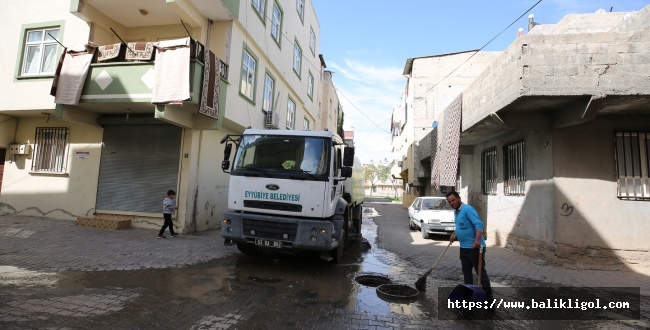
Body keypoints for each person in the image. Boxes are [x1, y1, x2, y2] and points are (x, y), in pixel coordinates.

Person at [446, 191, 494, 307]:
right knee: (467, 273)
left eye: (453, 200)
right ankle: (469, 298)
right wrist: (454, 234)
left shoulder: (468, 209)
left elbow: (479, 225)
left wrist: (477, 241)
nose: (452, 203)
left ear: (459, 198)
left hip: (475, 248)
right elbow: (460, 226)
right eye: (450, 202)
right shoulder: (456, 212)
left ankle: (489, 301)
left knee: (481, 274)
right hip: (463, 248)